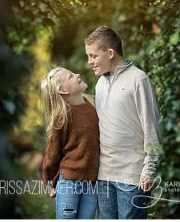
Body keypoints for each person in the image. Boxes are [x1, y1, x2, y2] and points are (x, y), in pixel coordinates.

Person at [84, 26, 163, 219]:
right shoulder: (100, 83)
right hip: (104, 175)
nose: (89, 62)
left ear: (110, 53)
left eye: (93, 56)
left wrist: (149, 169)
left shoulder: (139, 79)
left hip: (132, 176)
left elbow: (152, 127)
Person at [41, 67, 100, 219]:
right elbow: (52, 154)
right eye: (71, 76)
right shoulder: (62, 117)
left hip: (92, 183)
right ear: (63, 91)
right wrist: (51, 182)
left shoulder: (93, 104)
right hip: (69, 182)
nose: (77, 74)